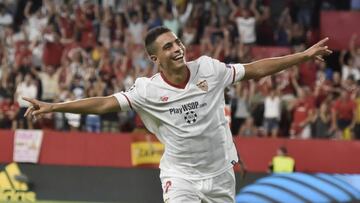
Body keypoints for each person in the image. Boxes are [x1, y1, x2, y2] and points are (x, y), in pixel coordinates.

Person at [23, 26, 331, 202]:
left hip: (220, 175)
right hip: (180, 175)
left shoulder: (209, 69)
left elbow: (255, 70)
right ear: (155, 58)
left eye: (178, 42)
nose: (178, 48)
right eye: (169, 47)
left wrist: (302, 57)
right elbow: (105, 104)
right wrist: (54, 106)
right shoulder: (146, 90)